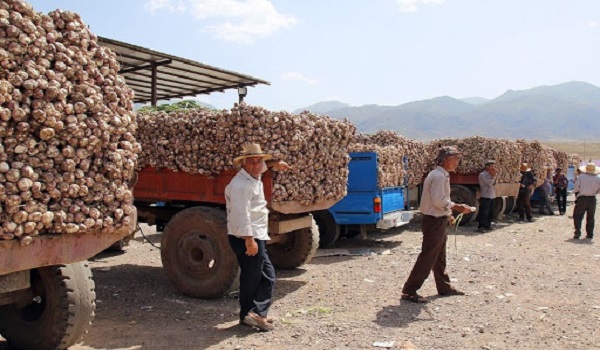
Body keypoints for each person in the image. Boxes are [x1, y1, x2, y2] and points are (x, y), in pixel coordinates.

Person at [225, 143, 289, 331]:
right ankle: (256, 313)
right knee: (263, 276)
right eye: (251, 161)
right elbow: (240, 214)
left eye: (259, 161)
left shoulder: (253, 175)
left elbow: (262, 167)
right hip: (246, 236)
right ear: (243, 163)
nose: (256, 164)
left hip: (255, 234)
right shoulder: (241, 185)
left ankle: (247, 316)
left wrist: (276, 163)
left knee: (253, 275)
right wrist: (249, 240)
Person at [401, 146, 474, 303]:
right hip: (433, 221)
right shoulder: (439, 176)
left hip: (437, 220)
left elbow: (440, 200)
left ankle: (444, 287)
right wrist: (457, 207)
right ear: (447, 160)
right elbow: (439, 200)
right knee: (428, 256)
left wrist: (448, 215)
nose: (457, 162)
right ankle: (409, 290)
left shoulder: (441, 175)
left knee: (439, 255)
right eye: (455, 158)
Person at [572, 163, 600, 240]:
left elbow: (576, 187)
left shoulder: (581, 177)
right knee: (591, 217)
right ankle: (590, 234)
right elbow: (599, 190)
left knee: (578, 215)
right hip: (592, 199)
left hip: (582, 198)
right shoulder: (598, 178)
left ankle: (577, 232)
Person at [477, 160, 497, 233]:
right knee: (484, 212)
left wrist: (493, 176)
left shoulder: (490, 174)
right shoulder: (482, 175)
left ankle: (488, 226)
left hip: (491, 195)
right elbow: (489, 184)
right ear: (487, 167)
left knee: (490, 212)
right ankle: (481, 227)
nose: (494, 168)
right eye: (492, 166)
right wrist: (493, 177)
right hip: (485, 195)